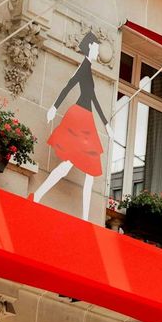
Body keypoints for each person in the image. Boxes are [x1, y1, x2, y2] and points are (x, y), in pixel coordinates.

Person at [33, 31, 107, 220]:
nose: (98, 52)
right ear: (90, 46)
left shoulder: (88, 68)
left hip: (86, 119)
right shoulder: (84, 67)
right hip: (80, 118)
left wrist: (106, 124)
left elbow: (93, 98)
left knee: (81, 168)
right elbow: (68, 86)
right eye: (97, 47)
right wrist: (53, 107)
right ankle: (40, 197)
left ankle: (83, 217)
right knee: (73, 166)